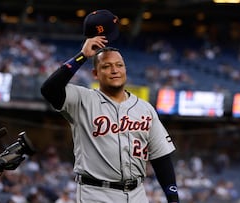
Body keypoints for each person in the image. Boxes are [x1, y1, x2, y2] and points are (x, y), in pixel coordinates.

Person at [40, 35, 179, 202]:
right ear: (95, 73)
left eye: (119, 65)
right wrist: (82, 55)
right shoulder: (82, 99)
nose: (115, 70)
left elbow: (160, 157)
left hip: (137, 194)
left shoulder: (145, 108)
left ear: (125, 70)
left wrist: (173, 198)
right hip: (96, 193)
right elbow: (49, 89)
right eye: (106, 66)